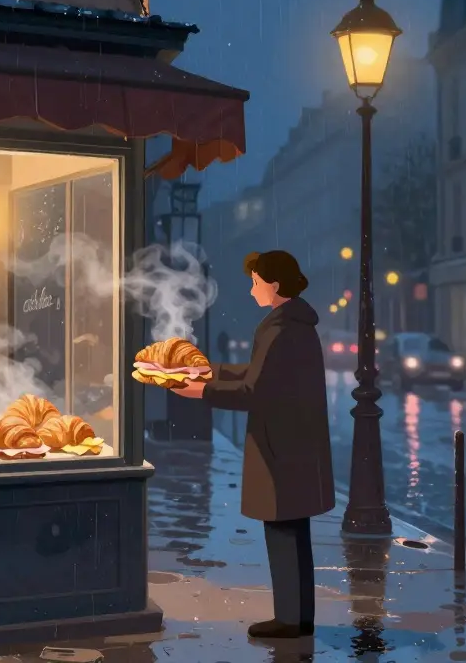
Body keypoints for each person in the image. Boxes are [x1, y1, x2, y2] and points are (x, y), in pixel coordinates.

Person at [172, 250, 334, 639]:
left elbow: (253, 390)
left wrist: (201, 391)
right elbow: (257, 374)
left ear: (274, 285)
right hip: (295, 446)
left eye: (256, 282)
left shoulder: (279, 330)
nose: (251, 290)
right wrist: (210, 370)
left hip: (280, 448)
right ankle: (299, 618)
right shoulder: (295, 326)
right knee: (295, 536)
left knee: (283, 535)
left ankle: (290, 622)